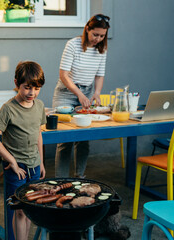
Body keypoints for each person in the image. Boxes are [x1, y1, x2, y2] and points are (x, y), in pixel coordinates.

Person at [0, 61, 46, 240]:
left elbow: (38, 135)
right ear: (16, 83)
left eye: (36, 88)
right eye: (27, 87)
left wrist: (41, 161)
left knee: (29, 209)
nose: (32, 93)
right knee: (19, 210)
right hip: (16, 169)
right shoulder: (8, 109)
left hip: (34, 166)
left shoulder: (40, 106)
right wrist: (11, 161)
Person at [52, 14, 110, 178]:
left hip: (87, 91)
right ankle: (60, 181)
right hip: (66, 92)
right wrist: (79, 94)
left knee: (84, 137)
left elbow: (99, 75)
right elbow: (64, 75)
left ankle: (80, 177)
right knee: (65, 139)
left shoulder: (102, 49)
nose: (98, 39)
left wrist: (97, 93)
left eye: (102, 36)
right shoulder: (72, 45)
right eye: (95, 34)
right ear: (87, 29)